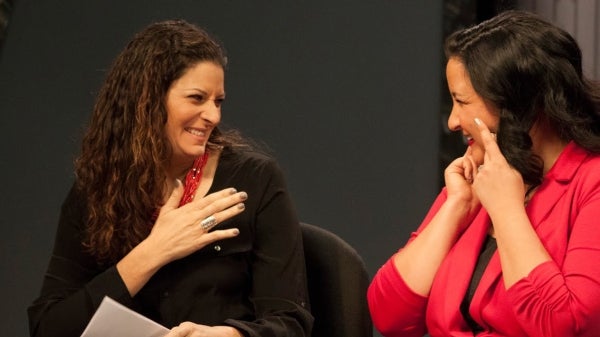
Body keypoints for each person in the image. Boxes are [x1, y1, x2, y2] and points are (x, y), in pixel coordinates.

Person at [28, 20, 313, 337]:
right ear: (147, 100)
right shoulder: (99, 189)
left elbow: (291, 323)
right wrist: (154, 252)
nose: (213, 116)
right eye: (196, 98)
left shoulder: (255, 179)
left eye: (217, 101)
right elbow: (48, 327)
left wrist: (227, 335)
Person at [368, 10, 600, 337]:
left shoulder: (592, 183)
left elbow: (565, 325)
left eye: (462, 101)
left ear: (519, 106)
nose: (452, 121)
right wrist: (456, 207)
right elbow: (389, 315)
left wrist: (507, 212)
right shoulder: (481, 173)